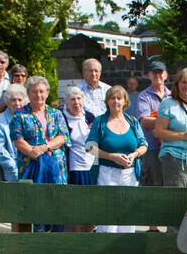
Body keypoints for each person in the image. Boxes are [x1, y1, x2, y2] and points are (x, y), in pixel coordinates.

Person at [86, 85, 148, 233]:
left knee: (128, 218)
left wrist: (134, 155)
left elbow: (143, 144)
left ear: (125, 101)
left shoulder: (132, 121)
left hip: (130, 174)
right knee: (108, 219)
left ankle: (125, 251)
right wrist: (111, 156)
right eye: (112, 98)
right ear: (107, 101)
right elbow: (89, 147)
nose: (116, 101)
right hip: (106, 173)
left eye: (119, 98)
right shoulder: (99, 122)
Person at [154, 67, 187, 187]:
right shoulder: (167, 104)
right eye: (183, 82)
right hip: (174, 157)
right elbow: (158, 132)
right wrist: (183, 136)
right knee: (176, 199)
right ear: (177, 84)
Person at [12, 75, 68, 186]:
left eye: (41, 91)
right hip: (31, 163)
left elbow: (63, 137)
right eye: (34, 92)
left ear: (47, 93)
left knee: (56, 198)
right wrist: (34, 153)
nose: (38, 95)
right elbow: (18, 140)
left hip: (55, 164)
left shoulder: (56, 114)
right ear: (28, 93)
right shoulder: (20, 114)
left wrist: (44, 148)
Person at [135, 60, 170, 186]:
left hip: (171, 148)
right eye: (154, 73)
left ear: (166, 75)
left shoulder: (172, 96)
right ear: (149, 75)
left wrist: (157, 121)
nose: (157, 76)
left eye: (160, 72)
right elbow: (144, 121)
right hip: (152, 148)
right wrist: (170, 121)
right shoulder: (143, 96)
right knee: (153, 184)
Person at [0, 84, 27, 183]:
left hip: (29, 167)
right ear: (7, 102)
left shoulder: (29, 117)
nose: (17, 103)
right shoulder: (0, 120)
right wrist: (12, 166)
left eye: (20, 100)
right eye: (13, 100)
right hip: (11, 170)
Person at [61, 85, 96, 185]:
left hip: (91, 166)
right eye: (72, 99)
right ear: (66, 103)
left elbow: (94, 144)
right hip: (74, 168)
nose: (76, 102)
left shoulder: (90, 117)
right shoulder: (62, 118)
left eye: (79, 98)